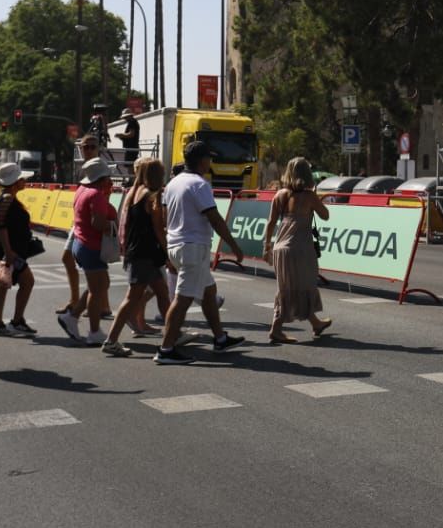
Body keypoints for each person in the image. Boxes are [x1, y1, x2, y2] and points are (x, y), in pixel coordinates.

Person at [154, 140, 246, 364]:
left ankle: (220, 338)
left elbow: (165, 217)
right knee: (182, 299)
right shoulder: (199, 184)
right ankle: (166, 349)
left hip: (177, 245)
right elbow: (214, 218)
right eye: (209, 158)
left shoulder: (174, 183)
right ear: (202, 160)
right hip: (193, 247)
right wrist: (233, 246)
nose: (211, 162)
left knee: (208, 292)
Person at [101, 158, 169, 356]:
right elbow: (158, 227)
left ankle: (174, 332)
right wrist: (167, 252)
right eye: (161, 173)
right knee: (133, 297)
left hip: (139, 251)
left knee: (162, 292)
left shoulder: (135, 192)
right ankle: (111, 340)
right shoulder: (150, 195)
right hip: (144, 253)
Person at [262, 156, 334, 343]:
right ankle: (276, 329)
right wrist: (316, 196)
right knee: (305, 285)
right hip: (301, 248)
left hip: (281, 248)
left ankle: (315, 323)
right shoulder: (309, 197)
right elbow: (325, 215)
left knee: (286, 288)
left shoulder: (280, 195)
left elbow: (270, 223)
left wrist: (266, 246)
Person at [57, 157, 117, 345]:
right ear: (102, 177)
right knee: (98, 288)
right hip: (91, 247)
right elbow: (98, 224)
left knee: (98, 286)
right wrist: (114, 227)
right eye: (108, 176)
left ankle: (73, 318)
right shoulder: (96, 195)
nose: (110, 179)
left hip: (81, 244)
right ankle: (93, 331)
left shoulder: (82, 190)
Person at [0, 161, 37, 336]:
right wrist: (8, 252)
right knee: (5, 285)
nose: (24, 181)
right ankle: (1, 324)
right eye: (21, 178)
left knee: (14, 283)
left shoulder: (8, 197)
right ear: (15, 182)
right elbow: (1, 226)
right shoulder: (7, 198)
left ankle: (13, 321)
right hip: (7, 252)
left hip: (11, 251)